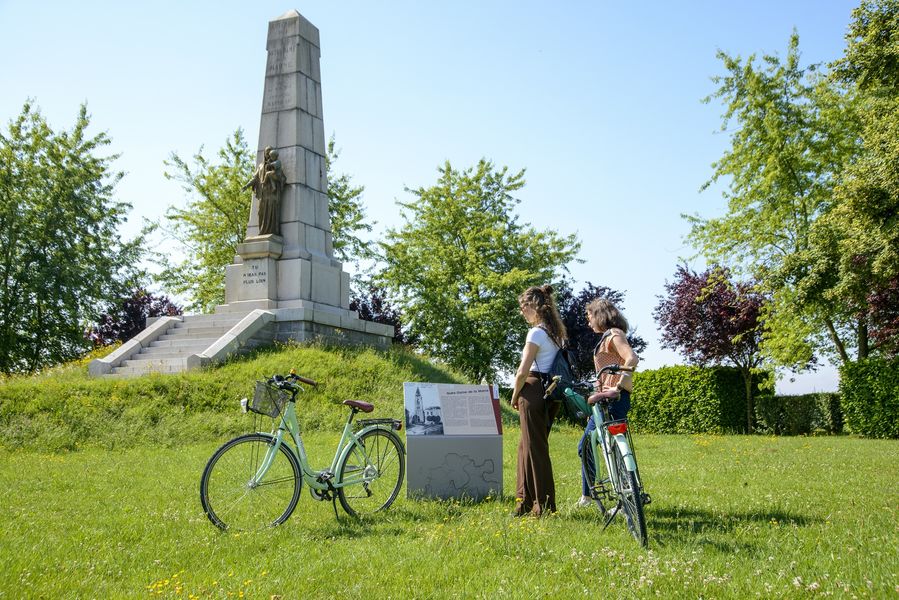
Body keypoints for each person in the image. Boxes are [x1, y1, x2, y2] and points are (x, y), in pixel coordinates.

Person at [576, 298, 639, 508]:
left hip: (614, 399)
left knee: (604, 448)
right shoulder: (607, 337)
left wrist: (618, 386)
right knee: (590, 445)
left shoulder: (613, 335)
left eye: (590, 317)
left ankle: (623, 499)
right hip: (605, 401)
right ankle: (590, 495)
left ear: (599, 315)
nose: (588, 322)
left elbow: (631, 358)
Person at [510, 285, 567, 516]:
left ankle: (542, 506)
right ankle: (523, 501)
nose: (522, 313)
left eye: (524, 308)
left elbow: (523, 371)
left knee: (535, 448)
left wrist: (514, 395)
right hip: (552, 393)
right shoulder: (557, 334)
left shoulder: (536, 333)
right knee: (527, 446)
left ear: (534, 306)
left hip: (534, 389)